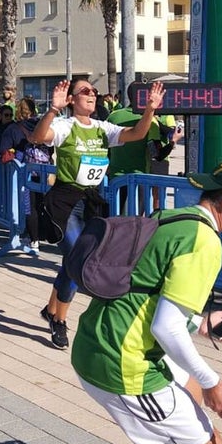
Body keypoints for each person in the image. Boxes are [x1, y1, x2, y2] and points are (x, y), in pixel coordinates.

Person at [71, 158, 222, 444]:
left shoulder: (175, 218)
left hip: (98, 339)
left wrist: (203, 324)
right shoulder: (204, 242)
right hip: (122, 362)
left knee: (190, 391)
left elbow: (148, 295)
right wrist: (213, 382)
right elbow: (166, 327)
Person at [31, 79, 165, 349]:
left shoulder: (103, 129)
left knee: (73, 260)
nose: (91, 95)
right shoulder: (65, 126)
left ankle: (50, 309)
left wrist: (150, 109)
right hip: (65, 201)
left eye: (93, 91)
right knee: (78, 259)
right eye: (84, 92)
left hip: (91, 201)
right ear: (71, 100)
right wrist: (53, 110)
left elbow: (138, 134)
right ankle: (60, 321)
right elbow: (38, 137)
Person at [0, 97, 50, 251]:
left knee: (29, 205)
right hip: (43, 169)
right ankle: (43, 234)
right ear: (34, 110)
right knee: (41, 203)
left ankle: (33, 240)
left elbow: (1, 148)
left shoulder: (14, 128)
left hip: (24, 170)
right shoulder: (42, 126)